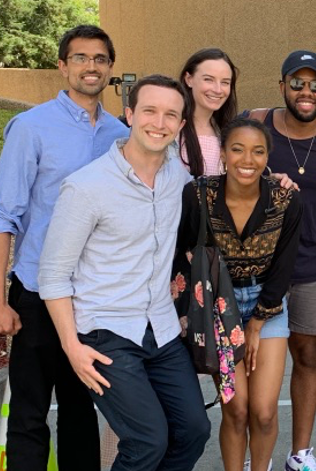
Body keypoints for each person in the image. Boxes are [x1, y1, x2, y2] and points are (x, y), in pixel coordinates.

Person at [37, 74, 210, 470]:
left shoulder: (179, 181)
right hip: (106, 332)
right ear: (130, 114)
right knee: (146, 440)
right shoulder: (86, 187)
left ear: (182, 125)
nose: (159, 122)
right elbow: (53, 276)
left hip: (161, 328)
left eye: (171, 115)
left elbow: (228, 196)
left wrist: (276, 182)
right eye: (149, 110)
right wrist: (72, 346)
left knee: (193, 430)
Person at [0, 24, 129, 470]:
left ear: (109, 69)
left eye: (100, 59)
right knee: (28, 412)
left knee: (82, 409)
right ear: (63, 66)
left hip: (91, 296)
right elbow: (1, 213)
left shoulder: (120, 135)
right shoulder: (30, 128)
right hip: (34, 291)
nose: (91, 66)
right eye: (81, 58)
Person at [174, 117, 301, 471]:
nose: (248, 159)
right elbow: (183, 253)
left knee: (262, 412)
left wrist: (257, 323)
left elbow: (283, 268)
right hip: (217, 308)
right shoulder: (198, 195)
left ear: (267, 157)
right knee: (236, 408)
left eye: (258, 151)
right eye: (238, 149)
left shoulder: (286, 200)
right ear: (224, 155)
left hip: (268, 306)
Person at [245, 49, 316, 471]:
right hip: (258, 269)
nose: (307, 92)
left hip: (312, 266)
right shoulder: (258, 121)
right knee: (256, 369)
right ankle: (258, 457)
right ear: (282, 85)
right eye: (298, 83)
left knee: (307, 358)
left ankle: (299, 454)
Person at [178, 47, 238, 176]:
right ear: (189, 79)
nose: (218, 89)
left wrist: (268, 182)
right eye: (208, 79)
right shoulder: (171, 128)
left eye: (225, 82)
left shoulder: (228, 131)